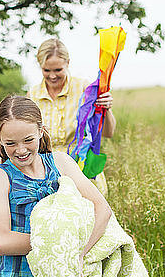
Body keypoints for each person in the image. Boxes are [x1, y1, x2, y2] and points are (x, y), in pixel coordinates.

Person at [0, 95, 112, 277]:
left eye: (28, 140)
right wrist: (57, 243)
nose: (20, 150)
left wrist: (77, 254)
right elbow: (1, 241)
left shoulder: (61, 163)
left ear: (41, 132)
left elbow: (102, 209)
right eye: (10, 143)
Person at [27, 38, 116, 195]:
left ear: (68, 63)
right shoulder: (33, 95)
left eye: (58, 70)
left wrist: (106, 109)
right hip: (48, 176)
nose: (52, 76)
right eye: (46, 70)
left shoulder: (84, 88)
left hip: (83, 172)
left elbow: (108, 133)